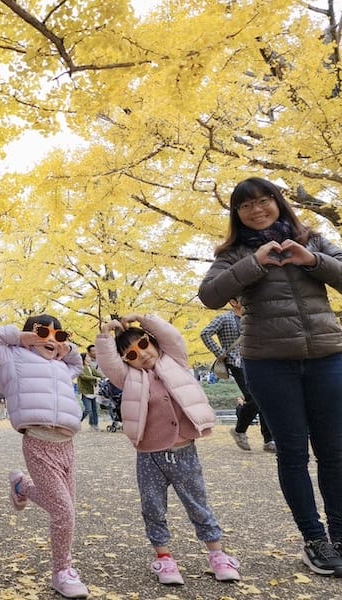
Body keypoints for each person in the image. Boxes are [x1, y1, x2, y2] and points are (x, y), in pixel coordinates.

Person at [198, 176, 342, 577]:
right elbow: (209, 295)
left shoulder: (312, 239)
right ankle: (314, 540)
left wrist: (312, 261)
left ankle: (341, 536)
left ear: (278, 203)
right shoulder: (233, 253)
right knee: (293, 452)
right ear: (237, 213)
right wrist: (254, 263)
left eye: (264, 201)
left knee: (334, 452)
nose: (257, 209)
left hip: (327, 357)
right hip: (270, 363)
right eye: (246, 205)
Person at [95, 313, 241, 586]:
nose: (141, 354)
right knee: (153, 508)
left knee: (198, 504)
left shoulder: (174, 360)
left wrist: (143, 320)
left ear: (153, 342)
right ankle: (164, 557)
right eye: (130, 354)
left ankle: (218, 555)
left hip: (184, 449)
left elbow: (172, 336)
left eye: (144, 344)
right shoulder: (129, 378)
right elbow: (108, 364)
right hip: (150, 455)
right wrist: (105, 336)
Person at [0, 314, 89, 599]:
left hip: (68, 446)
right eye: (43, 332)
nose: (50, 339)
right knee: (63, 511)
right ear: (29, 335)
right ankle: (62, 572)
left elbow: (78, 363)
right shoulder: (13, 359)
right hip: (38, 443)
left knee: (66, 509)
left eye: (59, 335)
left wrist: (69, 350)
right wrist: (21, 337)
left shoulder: (62, 366)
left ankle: (22, 486)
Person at [200, 298, 275, 452]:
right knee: (253, 398)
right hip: (237, 362)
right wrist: (220, 353)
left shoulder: (254, 317)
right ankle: (239, 431)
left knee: (264, 398)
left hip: (259, 360)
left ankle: (269, 440)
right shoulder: (224, 318)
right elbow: (205, 333)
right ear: (233, 302)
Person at [77, 347, 103, 431]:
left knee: (95, 410)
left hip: (93, 391)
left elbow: (97, 373)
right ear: (84, 359)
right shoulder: (80, 367)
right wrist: (95, 378)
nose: (89, 358)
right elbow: (84, 377)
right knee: (88, 409)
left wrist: (104, 377)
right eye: (87, 357)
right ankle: (77, 422)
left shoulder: (90, 367)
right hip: (85, 391)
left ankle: (94, 425)